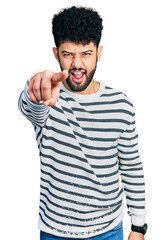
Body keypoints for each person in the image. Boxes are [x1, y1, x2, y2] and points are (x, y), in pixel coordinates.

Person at [18, 6, 147, 240]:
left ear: (99, 52)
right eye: (68, 54)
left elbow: (131, 167)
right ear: (56, 54)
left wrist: (138, 227)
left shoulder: (121, 105)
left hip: (108, 231)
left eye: (86, 53)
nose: (77, 64)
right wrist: (35, 85)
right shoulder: (48, 100)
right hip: (55, 232)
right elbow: (29, 103)